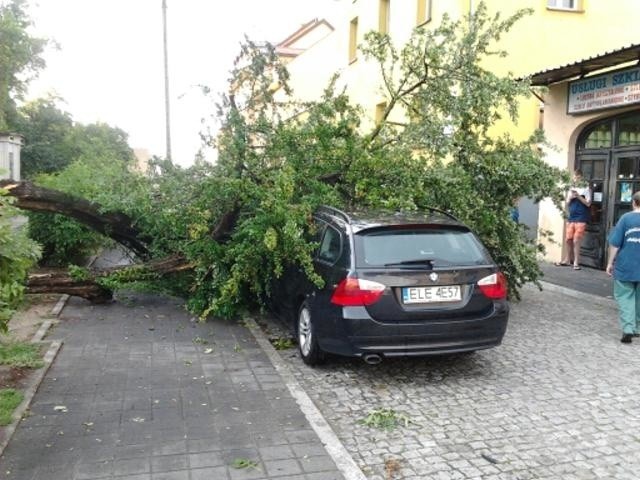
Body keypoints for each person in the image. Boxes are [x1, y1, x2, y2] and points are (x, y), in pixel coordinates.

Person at [606, 191, 640, 343]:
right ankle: (637, 328)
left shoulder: (626, 218)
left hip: (626, 265)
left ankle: (628, 328)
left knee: (625, 297)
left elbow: (615, 243)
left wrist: (610, 263)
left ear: (634, 202)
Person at [555, 169, 591, 270]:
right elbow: (567, 203)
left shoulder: (586, 188)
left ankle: (576, 262)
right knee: (568, 239)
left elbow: (588, 203)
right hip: (571, 217)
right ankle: (567, 259)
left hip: (581, 217)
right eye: (574, 177)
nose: (575, 179)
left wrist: (579, 196)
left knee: (576, 240)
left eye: (577, 177)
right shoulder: (571, 187)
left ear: (581, 177)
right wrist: (571, 197)